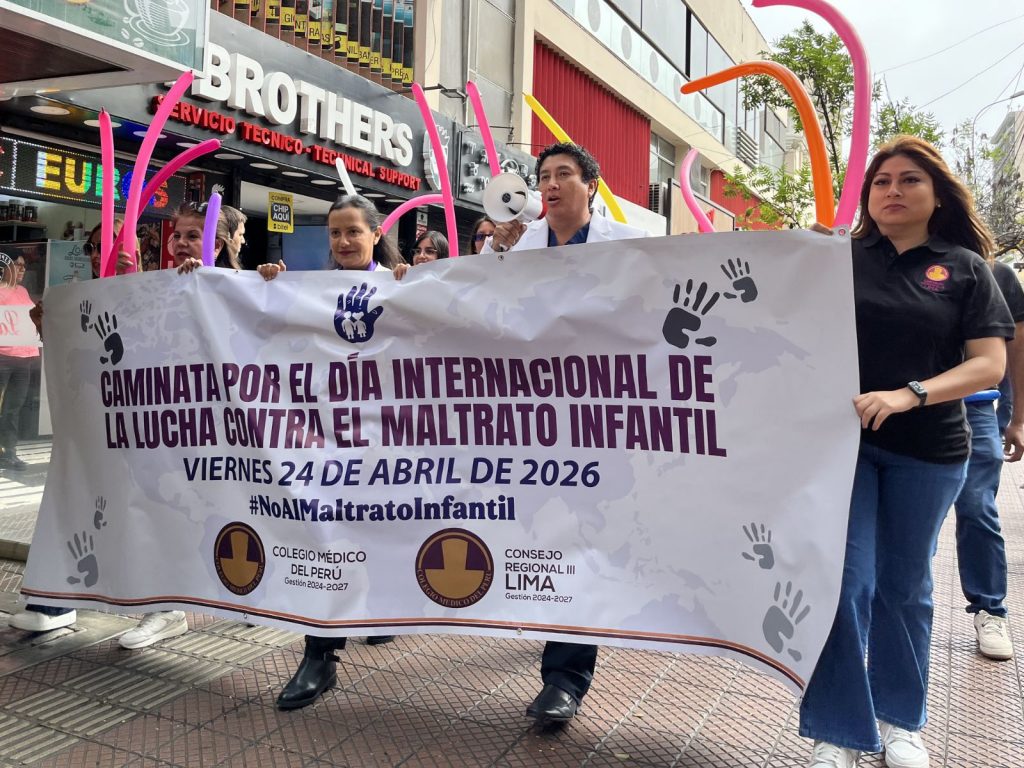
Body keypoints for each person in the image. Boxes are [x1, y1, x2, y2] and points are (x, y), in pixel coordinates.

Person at [799, 136, 1013, 768]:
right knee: (845, 584)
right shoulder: (837, 257)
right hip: (845, 449)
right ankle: (839, 730)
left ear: (937, 194)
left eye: (910, 180)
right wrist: (795, 255)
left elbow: (989, 364)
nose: (893, 190)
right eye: (881, 181)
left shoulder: (966, 268)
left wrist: (910, 394)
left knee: (905, 586)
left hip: (930, 451)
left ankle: (901, 723)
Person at [484, 142, 646, 724]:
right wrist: (494, 257)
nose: (550, 185)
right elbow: (474, 309)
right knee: (540, 531)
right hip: (531, 418)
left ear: (591, 185)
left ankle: (565, 679)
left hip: (596, 415)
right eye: (544, 177)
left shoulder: (627, 246)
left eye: (564, 174)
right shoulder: (518, 246)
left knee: (581, 533)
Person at [257, 194, 399, 710]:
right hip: (326, 442)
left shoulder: (403, 286)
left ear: (376, 234)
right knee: (325, 535)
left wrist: (416, 286)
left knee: (383, 532)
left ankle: (386, 604)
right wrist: (266, 286)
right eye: (335, 233)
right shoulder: (308, 291)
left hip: (388, 444)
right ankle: (319, 655)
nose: (343, 241)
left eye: (353, 231)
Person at [950, 257, 1024, 661]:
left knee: (978, 506)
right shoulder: (889, 259)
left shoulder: (995, 273)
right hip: (904, 406)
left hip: (975, 407)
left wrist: (1018, 418)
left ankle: (990, 609)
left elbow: (1016, 349)